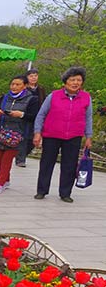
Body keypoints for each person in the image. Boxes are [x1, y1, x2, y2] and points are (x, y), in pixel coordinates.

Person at [32, 66, 93, 203]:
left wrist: (88, 136)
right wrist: (37, 133)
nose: (75, 83)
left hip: (73, 136)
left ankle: (65, 193)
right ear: (65, 81)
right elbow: (41, 114)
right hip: (52, 135)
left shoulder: (86, 98)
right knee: (46, 164)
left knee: (70, 165)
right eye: (72, 80)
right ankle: (42, 190)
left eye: (78, 80)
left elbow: (88, 118)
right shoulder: (53, 96)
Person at [0, 75, 39, 194]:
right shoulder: (5, 97)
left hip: (17, 134)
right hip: (1, 131)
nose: (14, 87)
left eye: (18, 84)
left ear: (25, 86)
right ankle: (6, 179)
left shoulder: (32, 99)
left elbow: (35, 116)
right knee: (0, 158)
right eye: (12, 84)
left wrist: (21, 115)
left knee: (7, 159)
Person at [17, 68, 46, 167]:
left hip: (38, 116)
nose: (33, 78)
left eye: (35, 75)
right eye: (31, 76)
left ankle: (22, 154)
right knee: (24, 137)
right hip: (25, 116)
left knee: (33, 139)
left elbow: (44, 102)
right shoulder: (23, 89)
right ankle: (20, 159)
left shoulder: (41, 89)